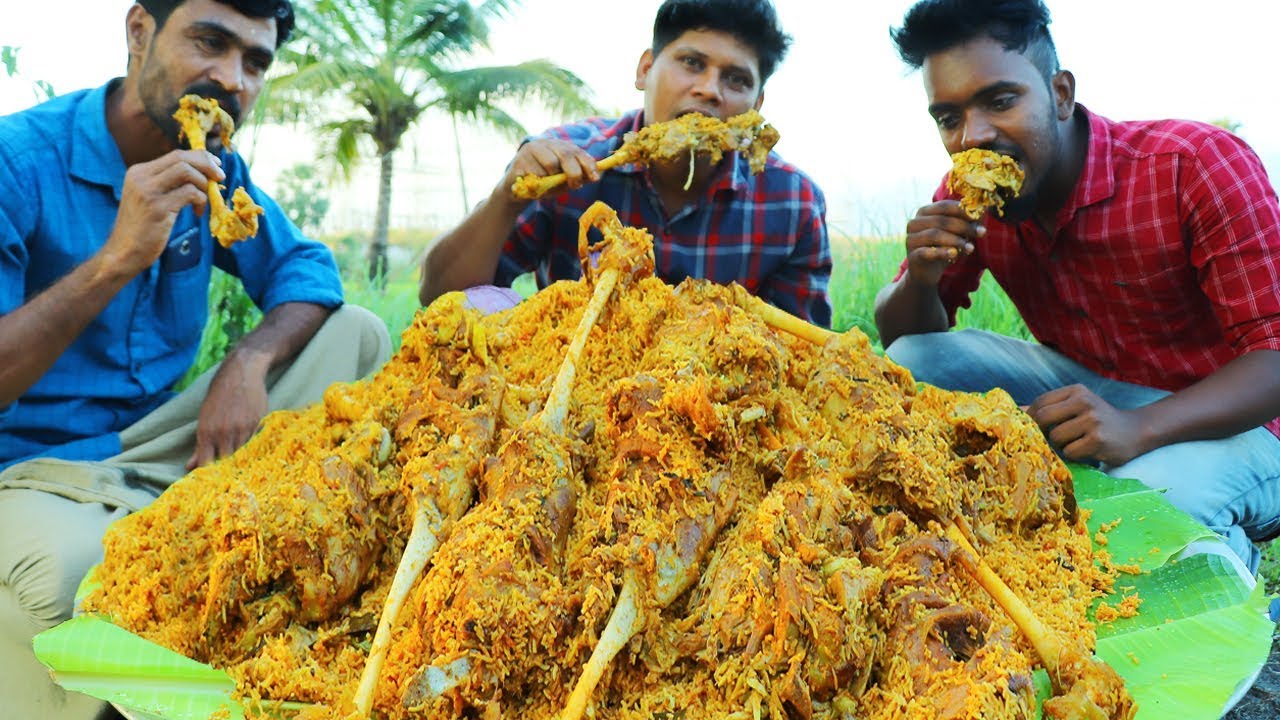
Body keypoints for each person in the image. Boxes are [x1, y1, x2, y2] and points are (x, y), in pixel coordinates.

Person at [0, 1, 392, 717]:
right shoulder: (17, 162)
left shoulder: (214, 166)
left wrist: (247, 362)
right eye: (209, 42)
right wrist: (116, 259)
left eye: (255, 61)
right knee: (77, 574)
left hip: (155, 446)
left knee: (358, 332)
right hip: (27, 467)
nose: (231, 79)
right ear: (139, 32)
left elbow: (306, 273)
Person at [874, 0, 1280, 575]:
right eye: (949, 118)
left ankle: (1229, 573)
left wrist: (1138, 428)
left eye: (1000, 100)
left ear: (1060, 94)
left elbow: (1276, 358)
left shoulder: (1192, 165)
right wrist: (922, 274)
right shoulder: (969, 197)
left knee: (1139, 502)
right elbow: (904, 336)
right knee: (912, 357)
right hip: (1096, 391)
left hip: (1247, 419)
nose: (974, 137)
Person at [419, 0, 832, 326]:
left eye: (736, 79)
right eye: (692, 63)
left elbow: (803, 352)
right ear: (646, 69)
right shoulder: (561, 162)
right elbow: (441, 297)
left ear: (756, 107)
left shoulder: (792, 202)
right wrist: (505, 200)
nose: (709, 90)